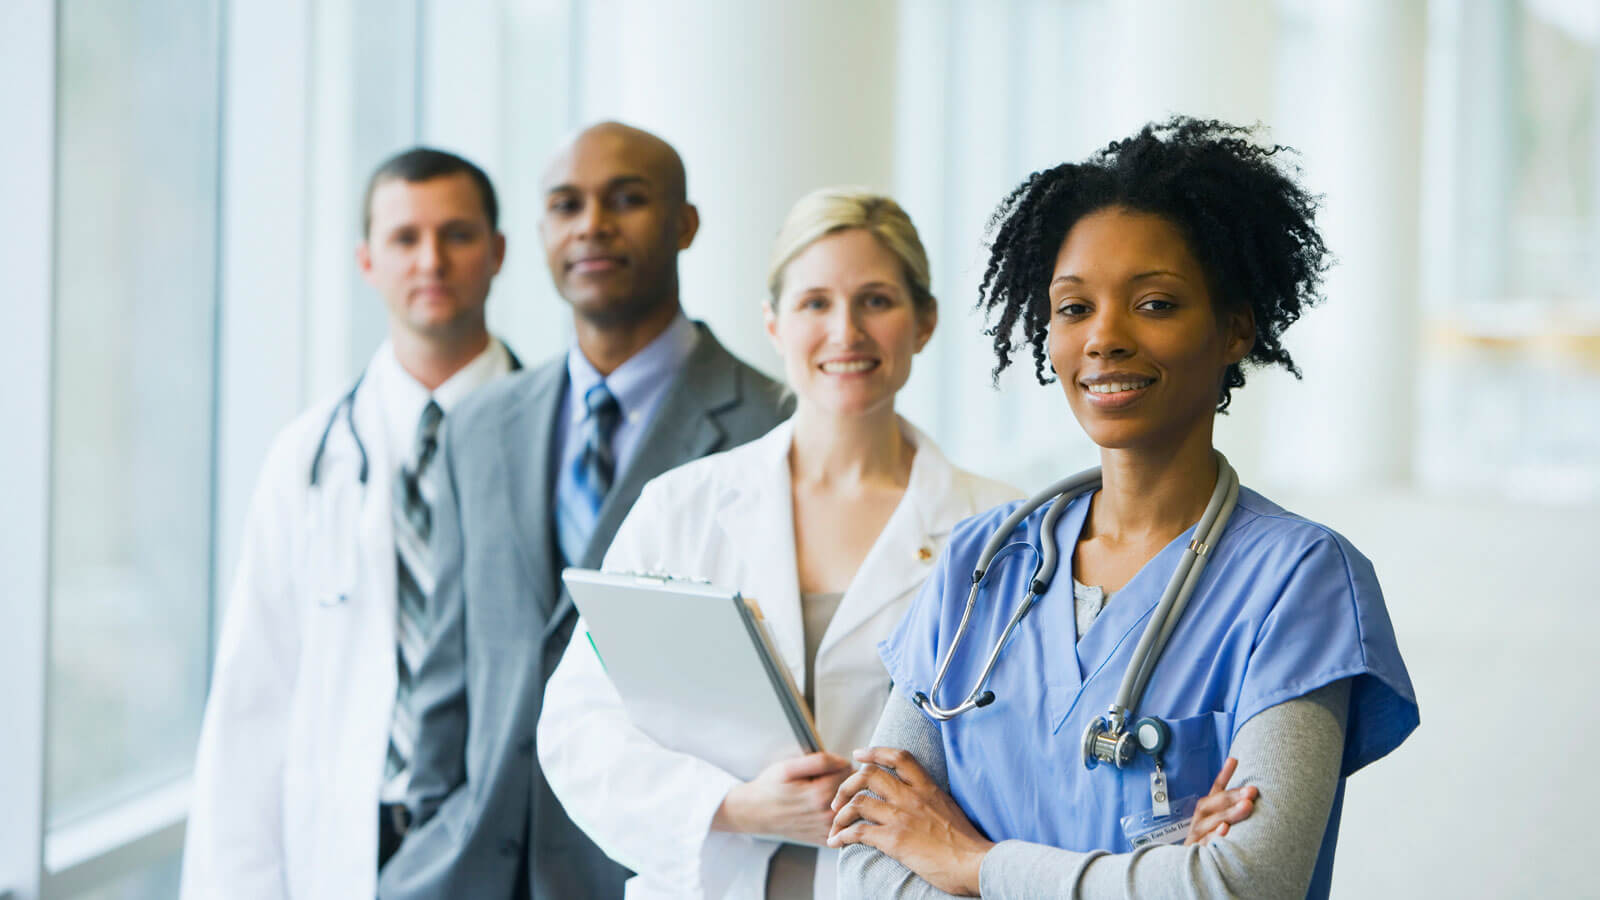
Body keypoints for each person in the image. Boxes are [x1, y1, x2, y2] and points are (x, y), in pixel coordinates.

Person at [537, 187, 1250, 900]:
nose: (846, 331)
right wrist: (735, 806)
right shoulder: (680, 508)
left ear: (924, 322)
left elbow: (1062, 760)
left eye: (876, 300)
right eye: (815, 303)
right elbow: (578, 727)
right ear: (773, 324)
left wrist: (1174, 831)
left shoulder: (1008, 530)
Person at [829, 118, 1420, 899]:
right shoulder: (979, 566)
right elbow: (867, 854)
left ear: (1234, 326)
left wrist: (969, 862)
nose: (1104, 337)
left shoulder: (1299, 581)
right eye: (1074, 309)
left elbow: (1247, 880)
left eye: (1155, 303)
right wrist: (1156, 875)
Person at [376, 122, 790, 900]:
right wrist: (436, 823)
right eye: (567, 205)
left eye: (627, 200)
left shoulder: (770, 428)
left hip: (644, 871)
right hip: (466, 870)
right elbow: (445, 675)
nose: (592, 224)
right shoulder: (481, 426)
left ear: (685, 224)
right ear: (540, 234)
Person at [182, 147, 518, 900]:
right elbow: (253, 696)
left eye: (457, 235)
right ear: (368, 261)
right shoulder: (307, 456)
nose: (430, 259)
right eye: (405, 238)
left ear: (497, 253)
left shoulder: (553, 439)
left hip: (500, 840)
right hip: (350, 840)